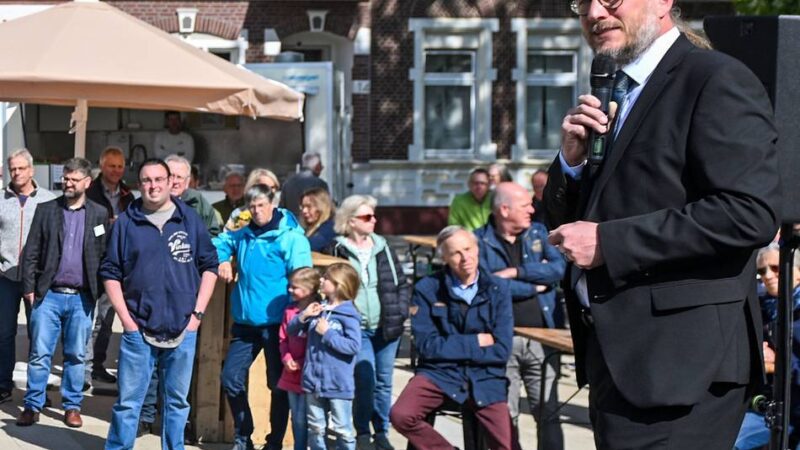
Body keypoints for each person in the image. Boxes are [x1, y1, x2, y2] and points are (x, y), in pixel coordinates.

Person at [544, 0, 780, 446]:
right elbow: (570, 225)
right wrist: (571, 165)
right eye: (583, 3)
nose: (595, 13)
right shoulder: (616, 88)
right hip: (620, 361)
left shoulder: (713, 78)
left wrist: (611, 243)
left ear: (663, 2)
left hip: (684, 370)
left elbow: (749, 211)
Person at [100, 158, 219, 450]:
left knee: (177, 403)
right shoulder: (127, 222)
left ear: (169, 183)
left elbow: (210, 266)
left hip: (183, 329)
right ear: (139, 185)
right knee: (129, 404)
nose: (153, 186)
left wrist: (197, 315)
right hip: (138, 330)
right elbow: (110, 272)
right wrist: (126, 320)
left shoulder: (189, 219)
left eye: (158, 180)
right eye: (146, 181)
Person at [390, 225, 514, 450]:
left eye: (468, 249)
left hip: (485, 375)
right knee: (401, 415)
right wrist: (476, 341)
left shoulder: (498, 288)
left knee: (507, 444)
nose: (465, 257)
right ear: (444, 257)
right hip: (440, 373)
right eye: (456, 253)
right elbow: (427, 346)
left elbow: (502, 349)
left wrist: (452, 346)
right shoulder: (427, 289)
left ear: (477, 249)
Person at [214, 183, 312, 450]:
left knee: (277, 385)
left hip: (277, 325)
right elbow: (219, 242)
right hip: (246, 323)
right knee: (230, 378)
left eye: (261, 205)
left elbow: (304, 278)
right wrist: (224, 258)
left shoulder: (291, 238)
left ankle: (274, 442)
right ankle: (243, 434)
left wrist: (299, 319)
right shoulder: (243, 234)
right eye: (252, 207)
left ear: (273, 203)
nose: (257, 212)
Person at [16, 158, 109, 428]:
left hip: (82, 298)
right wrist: (30, 291)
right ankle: (32, 405)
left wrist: (97, 291)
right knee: (39, 354)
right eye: (65, 178)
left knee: (76, 355)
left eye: (74, 179)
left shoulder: (99, 214)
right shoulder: (47, 210)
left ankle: (72, 406)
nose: (67, 183)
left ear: (87, 183)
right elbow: (31, 251)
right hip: (48, 296)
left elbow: (103, 255)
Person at [474, 182, 566, 450]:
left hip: (545, 339)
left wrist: (516, 273)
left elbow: (559, 269)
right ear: (504, 209)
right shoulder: (478, 240)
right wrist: (537, 282)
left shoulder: (538, 232)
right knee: (504, 414)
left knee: (548, 414)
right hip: (503, 342)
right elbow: (488, 285)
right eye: (525, 205)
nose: (532, 209)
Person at [327, 195, 410, 450]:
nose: (374, 220)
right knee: (365, 378)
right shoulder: (337, 249)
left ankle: (381, 431)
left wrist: (402, 310)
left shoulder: (383, 246)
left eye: (374, 215)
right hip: (357, 328)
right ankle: (362, 430)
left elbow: (402, 283)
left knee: (385, 382)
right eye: (366, 217)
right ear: (351, 221)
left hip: (387, 325)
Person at [0, 148, 55, 403]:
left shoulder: (48, 200)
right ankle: (3, 384)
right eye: (13, 169)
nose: (17, 173)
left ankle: (37, 390)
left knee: (39, 335)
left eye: (21, 168)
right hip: (5, 277)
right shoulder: (1, 198)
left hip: (37, 278)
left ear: (31, 170)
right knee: (4, 333)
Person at [289, 263, 362, 450]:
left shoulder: (349, 314)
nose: (321, 280)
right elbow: (292, 331)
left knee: (342, 429)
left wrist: (328, 333)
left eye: (326, 278)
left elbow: (353, 346)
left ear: (339, 284)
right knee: (315, 427)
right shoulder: (319, 309)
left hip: (337, 383)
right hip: (313, 381)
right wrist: (304, 315)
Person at [734, 244, 800, 450]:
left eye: (776, 267)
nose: (768, 276)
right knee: (731, 440)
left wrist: (776, 365)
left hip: (793, 406)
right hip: (777, 406)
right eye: (762, 271)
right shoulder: (764, 308)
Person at [85, 146, 135, 386]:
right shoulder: (90, 191)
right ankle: (81, 367)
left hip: (115, 265)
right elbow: (84, 225)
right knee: (84, 318)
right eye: (111, 166)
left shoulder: (128, 195)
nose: (116, 170)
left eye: (119, 166)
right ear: (102, 166)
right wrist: (108, 224)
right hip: (89, 262)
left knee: (105, 319)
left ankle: (96, 365)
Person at [279, 267, 321, 450]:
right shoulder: (289, 311)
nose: (290, 290)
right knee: (296, 417)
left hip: (308, 373)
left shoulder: (319, 313)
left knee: (308, 419)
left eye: (295, 287)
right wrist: (286, 358)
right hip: (290, 373)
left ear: (310, 289)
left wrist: (302, 363)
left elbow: (318, 346)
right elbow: (283, 338)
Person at [166, 154, 220, 236]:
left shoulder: (197, 200)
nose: (175, 181)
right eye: (171, 176)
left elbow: (213, 233)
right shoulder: (152, 200)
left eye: (179, 177)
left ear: (187, 182)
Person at [279, 152, 330, 218]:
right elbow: (326, 208)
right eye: (321, 165)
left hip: (291, 224)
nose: (322, 168)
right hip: (312, 223)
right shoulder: (320, 184)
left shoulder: (288, 183)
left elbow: (281, 209)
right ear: (317, 166)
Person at [300, 187, 336, 252]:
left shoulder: (329, 229)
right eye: (303, 207)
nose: (304, 211)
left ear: (321, 207)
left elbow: (306, 248)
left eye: (309, 206)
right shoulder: (307, 229)